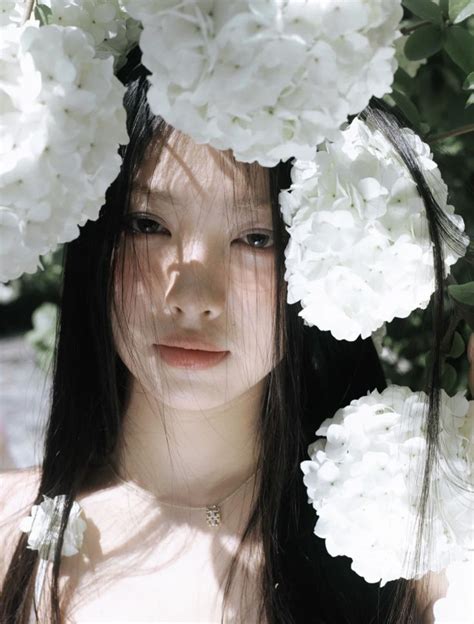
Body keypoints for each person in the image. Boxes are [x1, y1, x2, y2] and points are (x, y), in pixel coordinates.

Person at [0, 45, 470, 624]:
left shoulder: (414, 548)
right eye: (148, 224)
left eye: (256, 238)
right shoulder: (8, 532)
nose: (193, 297)